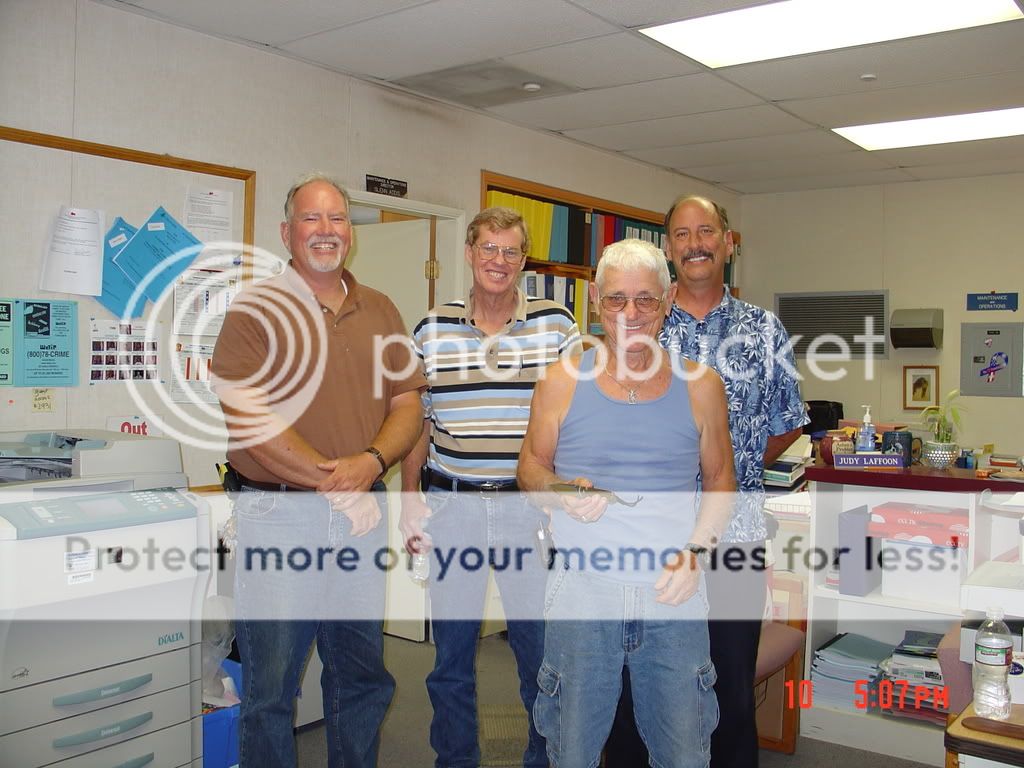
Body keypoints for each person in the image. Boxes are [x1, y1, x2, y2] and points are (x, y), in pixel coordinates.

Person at [211, 172, 426, 768]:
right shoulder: (254, 310)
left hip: (360, 518)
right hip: (278, 515)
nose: (326, 230)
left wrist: (371, 464)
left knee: (361, 677)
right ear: (287, 233)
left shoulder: (380, 308)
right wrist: (340, 486)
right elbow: (250, 418)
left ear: (350, 233)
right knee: (271, 689)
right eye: (312, 218)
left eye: (337, 218)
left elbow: (408, 404)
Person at [605, 197, 808, 768]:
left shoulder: (763, 329)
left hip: (733, 541)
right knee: (635, 692)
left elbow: (788, 421)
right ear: (668, 247)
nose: (695, 244)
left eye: (706, 232)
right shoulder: (640, 325)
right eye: (682, 234)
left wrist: (729, 471)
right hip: (648, 542)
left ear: (728, 241)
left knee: (730, 694)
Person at [517, 238, 736, 768]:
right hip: (582, 593)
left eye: (645, 300)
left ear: (668, 300)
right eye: (616, 298)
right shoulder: (561, 382)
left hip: (673, 594)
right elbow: (529, 469)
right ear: (596, 300)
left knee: (684, 754)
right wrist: (561, 493)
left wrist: (697, 553)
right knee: (572, 751)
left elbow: (721, 482)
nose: (629, 314)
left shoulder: (701, 386)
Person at [399, 206, 580, 768]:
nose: (499, 260)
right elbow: (416, 421)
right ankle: (455, 760)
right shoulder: (431, 329)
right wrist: (409, 499)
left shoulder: (557, 325)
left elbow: (576, 418)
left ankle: (544, 759)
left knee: (539, 655)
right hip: (452, 509)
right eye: (489, 248)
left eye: (511, 250)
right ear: (470, 253)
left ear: (523, 259)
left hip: (530, 513)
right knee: (450, 659)